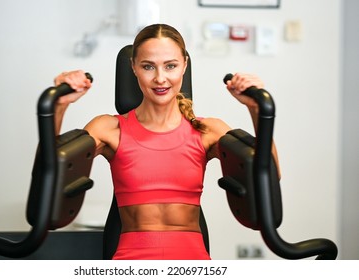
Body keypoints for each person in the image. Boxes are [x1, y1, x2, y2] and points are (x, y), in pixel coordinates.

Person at [53, 23, 280, 260]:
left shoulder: (206, 130)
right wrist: (59, 105)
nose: (160, 78)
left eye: (170, 66)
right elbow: (48, 178)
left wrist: (255, 109)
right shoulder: (110, 128)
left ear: (184, 66)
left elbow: (269, 178)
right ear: (133, 68)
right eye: (148, 66)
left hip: (192, 263)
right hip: (130, 262)